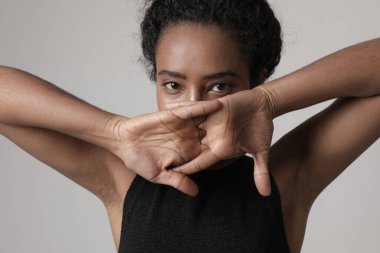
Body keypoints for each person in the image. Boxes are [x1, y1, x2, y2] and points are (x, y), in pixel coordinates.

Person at [0, 0, 379, 252]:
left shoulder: (285, 179)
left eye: (220, 85)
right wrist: (113, 131)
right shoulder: (122, 178)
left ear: (255, 82)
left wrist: (271, 101)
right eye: (173, 85)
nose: (194, 107)